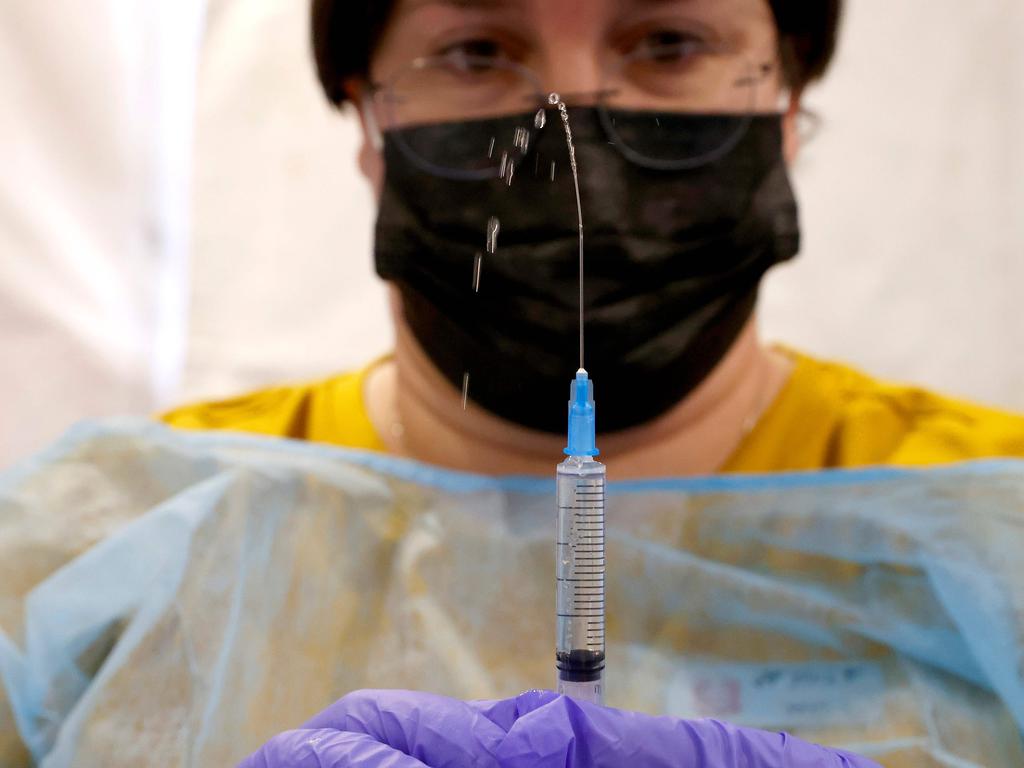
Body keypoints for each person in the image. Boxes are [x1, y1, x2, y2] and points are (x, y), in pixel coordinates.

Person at [158, 0, 1024, 765]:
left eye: (672, 41)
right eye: (476, 50)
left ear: (790, 103)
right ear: (364, 120)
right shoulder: (144, 535)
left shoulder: (1000, 522)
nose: (569, 126)